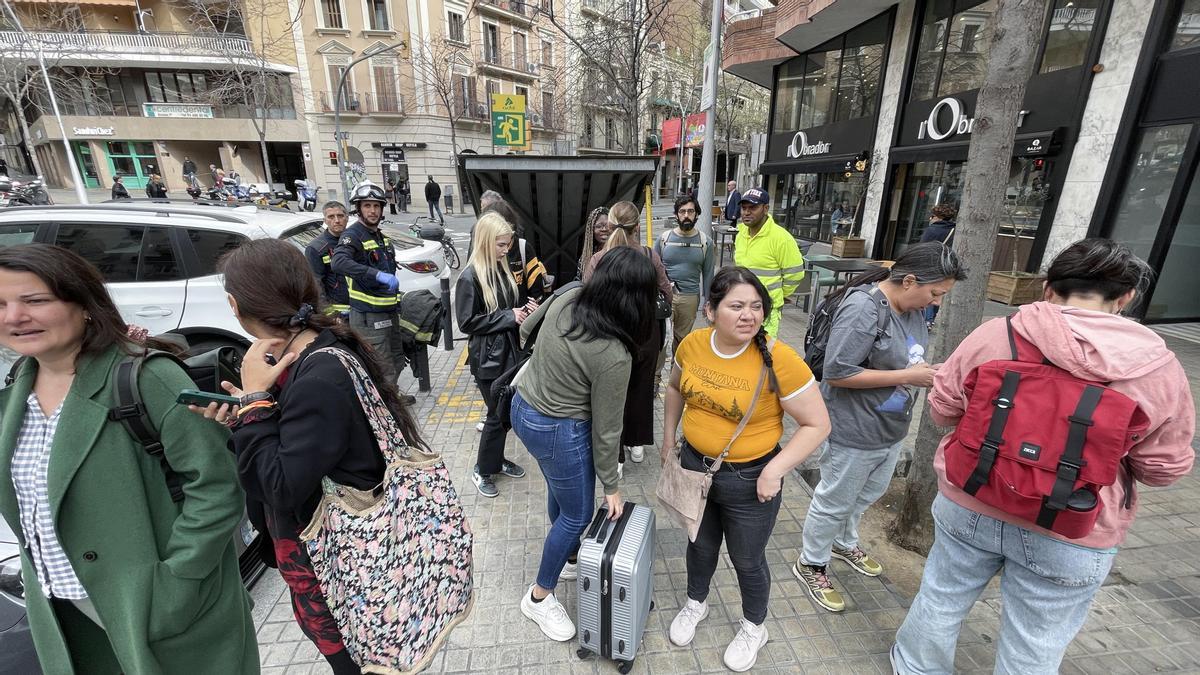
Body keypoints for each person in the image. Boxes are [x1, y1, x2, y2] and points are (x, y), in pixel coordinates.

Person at [890, 238, 1196, 675]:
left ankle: (916, 669)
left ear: (1048, 288)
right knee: (1036, 639)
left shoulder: (997, 334)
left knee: (941, 596)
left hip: (973, 496)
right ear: (1126, 297)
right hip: (1073, 523)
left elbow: (942, 411)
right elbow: (1161, 469)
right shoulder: (1157, 368)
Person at [0, 244, 258, 674]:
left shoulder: (143, 376)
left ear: (84, 304)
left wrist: (177, 583)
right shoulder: (14, 397)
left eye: (35, 300)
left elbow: (215, 485)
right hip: (61, 608)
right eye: (1, 304)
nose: (14, 317)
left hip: (155, 606)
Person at [194, 238, 440, 675]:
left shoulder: (318, 373)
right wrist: (247, 417)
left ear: (234, 304)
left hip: (338, 567)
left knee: (355, 663)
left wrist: (254, 404)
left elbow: (281, 485)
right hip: (341, 561)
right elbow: (301, 444)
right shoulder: (318, 348)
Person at [663, 266, 831, 672]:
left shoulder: (779, 359)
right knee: (698, 544)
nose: (748, 315)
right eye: (736, 306)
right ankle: (694, 603)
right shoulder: (693, 346)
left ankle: (755, 626)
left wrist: (775, 470)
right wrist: (669, 440)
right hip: (693, 468)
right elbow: (673, 388)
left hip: (751, 481)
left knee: (746, 559)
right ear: (710, 310)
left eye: (756, 306)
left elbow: (818, 424)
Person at [794, 242, 966, 613]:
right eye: (935, 293)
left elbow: (908, 357)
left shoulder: (914, 310)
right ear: (908, 281)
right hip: (852, 429)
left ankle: (844, 540)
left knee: (866, 494)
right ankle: (811, 561)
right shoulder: (864, 308)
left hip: (889, 428)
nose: (936, 302)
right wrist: (909, 375)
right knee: (834, 499)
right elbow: (838, 372)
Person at [512, 246, 657, 643]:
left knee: (560, 490)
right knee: (576, 516)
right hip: (558, 430)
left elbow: (526, 330)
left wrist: (553, 364)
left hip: (522, 406)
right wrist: (611, 485)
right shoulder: (614, 353)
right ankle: (539, 598)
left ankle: (572, 557)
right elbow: (607, 431)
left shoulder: (571, 293)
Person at [583, 201, 672, 470]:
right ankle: (636, 446)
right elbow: (667, 292)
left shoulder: (599, 259)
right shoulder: (648, 255)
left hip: (609, 336)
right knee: (641, 389)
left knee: (611, 394)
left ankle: (616, 456)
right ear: (637, 226)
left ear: (609, 226)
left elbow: (585, 296)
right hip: (646, 335)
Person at [454, 212, 529, 498]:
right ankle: (483, 469)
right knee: (497, 415)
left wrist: (521, 311)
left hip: (508, 352)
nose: (506, 249)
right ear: (486, 242)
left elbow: (506, 309)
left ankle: (494, 462)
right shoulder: (470, 277)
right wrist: (509, 316)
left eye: (507, 244)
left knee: (502, 413)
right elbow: (466, 322)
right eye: (500, 244)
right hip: (487, 359)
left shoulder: (500, 268)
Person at [331, 181, 415, 405]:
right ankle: (384, 408)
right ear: (358, 209)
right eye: (367, 205)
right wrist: (376, 275)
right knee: (380, 363)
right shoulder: (353, 235)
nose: (372, 211)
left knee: (396, 358)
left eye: (376, 206)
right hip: (369, 315)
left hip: (387, 311)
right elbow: (338, 262)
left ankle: (391, 395)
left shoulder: (380, 236)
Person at [733, 187, 805, 337]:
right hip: (741, 306)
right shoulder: (741, 234)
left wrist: (777, 295)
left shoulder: (781, 238)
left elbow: (795, 274)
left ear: (765, 209)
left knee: (762, 353)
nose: (746, 212)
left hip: (766, 310)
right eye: (744, 208)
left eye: (753, 208)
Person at [655, 194, 715, 357]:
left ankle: (678, 373)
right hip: (665, 296)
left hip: (690, 298)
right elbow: (652, 269)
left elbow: (709, 273)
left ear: (696, 214)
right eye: (682, 211)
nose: (686, 215)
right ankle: (656, 379)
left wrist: (707, 302)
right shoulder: (663, 239)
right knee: (661, 339)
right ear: (676, 215)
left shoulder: (705, 242)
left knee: (682, 341)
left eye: (690, 211)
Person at [483, 200, 550, 303]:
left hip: (521, 315)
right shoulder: (480, 254)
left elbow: (536, 291)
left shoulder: (523, 248)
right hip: (493, 316)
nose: (505, 251)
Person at [304, 201, 350, 318]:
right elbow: (316, 285)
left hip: (362, 309)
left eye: (340, 216)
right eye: (331, 217)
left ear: (347, 218)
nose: (337, 220)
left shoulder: (355, 240)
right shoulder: (316, 248)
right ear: (325, 221)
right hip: (339, 313)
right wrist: (330, 315)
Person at [918, 204, 958, 329]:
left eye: (932, 216)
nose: (930, 219)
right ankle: (931, 319)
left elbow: (922, 249)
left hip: (930, 264)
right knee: (938, 293)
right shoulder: (955, 230)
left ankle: (926, 320)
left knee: (929, 291)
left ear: (939, 217)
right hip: (946, 266)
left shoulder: (932, 230)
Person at [576, 206, 611, 280]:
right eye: (599, 226)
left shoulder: (621, 253)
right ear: (591, 231)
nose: (604, 229)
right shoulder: (585, 259)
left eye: (607, 225)